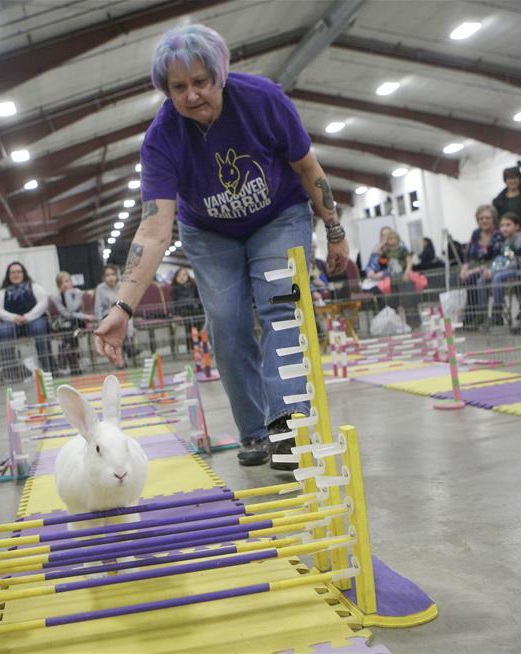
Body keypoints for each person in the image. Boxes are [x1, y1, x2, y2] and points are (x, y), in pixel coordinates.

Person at [92, 24, 348, 470]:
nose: (191, 95)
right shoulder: (161, 139)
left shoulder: (263, 99)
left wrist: (334, 228)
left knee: (279, 309)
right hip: (209, 232)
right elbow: (154, 230)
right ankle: (254, 431)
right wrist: (123, 308)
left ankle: (288, 427)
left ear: (220, 75)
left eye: (201, 82)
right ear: (166, 90)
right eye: (178, 87)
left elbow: (307, 166)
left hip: (280, 217)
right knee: (227, 323)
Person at [0, 261, 53, 376]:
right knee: (3, 331)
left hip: (33, 320)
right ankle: (11, 372)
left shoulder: (35, 287)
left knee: (39, 328)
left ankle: (47, 368)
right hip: (11, 322)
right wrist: (14, 317)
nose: (16, 274)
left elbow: (43, 303)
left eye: (19, 272)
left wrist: (27, 317)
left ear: (24, 273)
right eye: (13, 272)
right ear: (8, 275)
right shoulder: (2, 292)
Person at [459, 205, 505, 326]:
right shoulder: (476, 233)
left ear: (493, 219)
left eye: (487, 218)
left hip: (491, 266)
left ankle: (484, 314)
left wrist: (473, 271)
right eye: (481, 218)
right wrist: (464, 268)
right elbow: (468, 255)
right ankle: (468, 314)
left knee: (475, 279)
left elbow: (498, 258)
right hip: (474, 266)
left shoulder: (498, 235)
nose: (484, 221)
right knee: (458, 278)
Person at [366, 229, 420, 328]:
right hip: (393, 282)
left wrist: (407, 272)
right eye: (389, 238)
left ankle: (414, 324)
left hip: (404, 280)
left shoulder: (402, 249)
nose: (391, 240)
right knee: (392, 305)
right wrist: (384, 243)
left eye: (392, 238)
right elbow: (376, 252)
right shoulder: (386, 252)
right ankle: (396, 325)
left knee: (408, 303)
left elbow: (409, 260)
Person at [488, 213, 521, 327]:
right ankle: (483, 313)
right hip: (509, 270)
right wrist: (491, 269)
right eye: (502, 225)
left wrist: (495, 271)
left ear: (517, 226)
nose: (504, 228)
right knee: (482, 280)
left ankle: (498, 310)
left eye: (508, 225)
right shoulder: (506, 242)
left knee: (497, 277)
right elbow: (504, 259)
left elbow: (516, 262)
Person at [50, 271, 92, 376]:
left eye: (67, 281)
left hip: (77, 323)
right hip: (64, 323)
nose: (65, 284)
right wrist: (85, 316)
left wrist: (69, 294)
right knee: (69, 328)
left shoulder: (78, 293)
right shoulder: (56, 297)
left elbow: (72, 309)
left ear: (71, 282)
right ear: (58, 286)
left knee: (73, 326)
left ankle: (71, 359)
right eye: (61, 283)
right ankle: (74, 363)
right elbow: (67, 313)